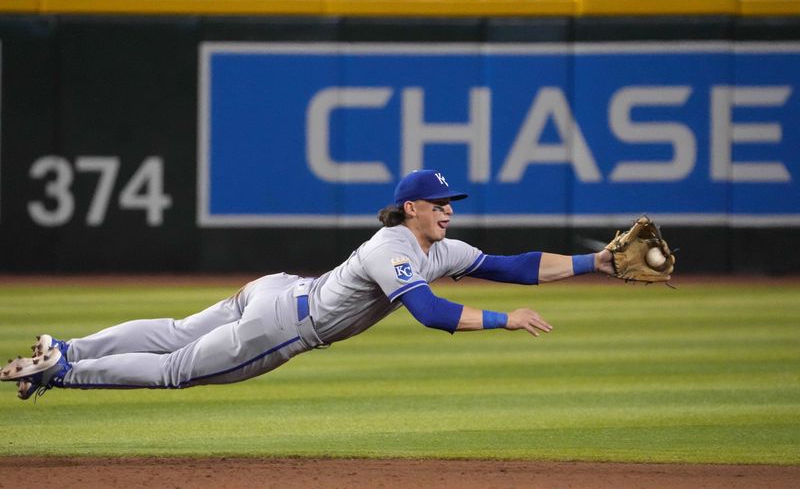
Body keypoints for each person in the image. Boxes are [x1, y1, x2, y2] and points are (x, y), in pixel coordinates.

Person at [1, 169, 615, 400]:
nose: (447, 211)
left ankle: (70, 348)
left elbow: (515, 265)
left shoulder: (440, 247)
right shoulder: (394, 246)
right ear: (409, 210)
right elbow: (429, 314)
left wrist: (598, 265)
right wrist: (508, 320)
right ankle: (60, 370)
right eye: (437, 204)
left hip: (277, 289)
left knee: (172, 332)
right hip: (284, 324)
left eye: (449, 203)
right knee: (175, 366)